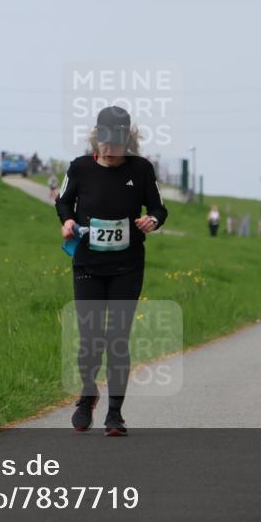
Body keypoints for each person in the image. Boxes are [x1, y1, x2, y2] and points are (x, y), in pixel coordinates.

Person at [55, 106, 168, 437]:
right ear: (96, 137)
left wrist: (153, 221)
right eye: (103, 140)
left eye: (116, 141)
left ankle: (115, 415)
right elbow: (63, 202)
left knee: (117, 339)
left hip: (127, 266)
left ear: (127, 140)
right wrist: (68, 221)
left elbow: (159, 207)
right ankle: (87, 393)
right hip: (88, 264)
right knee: (90, 340)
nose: (109, 148)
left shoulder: (142, 170)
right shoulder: (79, 168)